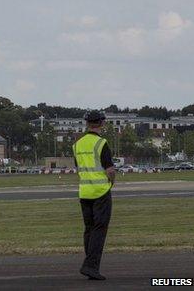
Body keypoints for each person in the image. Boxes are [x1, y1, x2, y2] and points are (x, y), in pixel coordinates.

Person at [73, 110, 116, 280]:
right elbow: (110, 169)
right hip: (100, 192)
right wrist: (111, 182)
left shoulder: (77, 144)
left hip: (84, 192)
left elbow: (78, 168)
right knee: (100, 228)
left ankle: (89, 264)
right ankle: (90, 265)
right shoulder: (101, 143)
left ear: (87, 123)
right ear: (102, 123)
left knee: (89, 229)